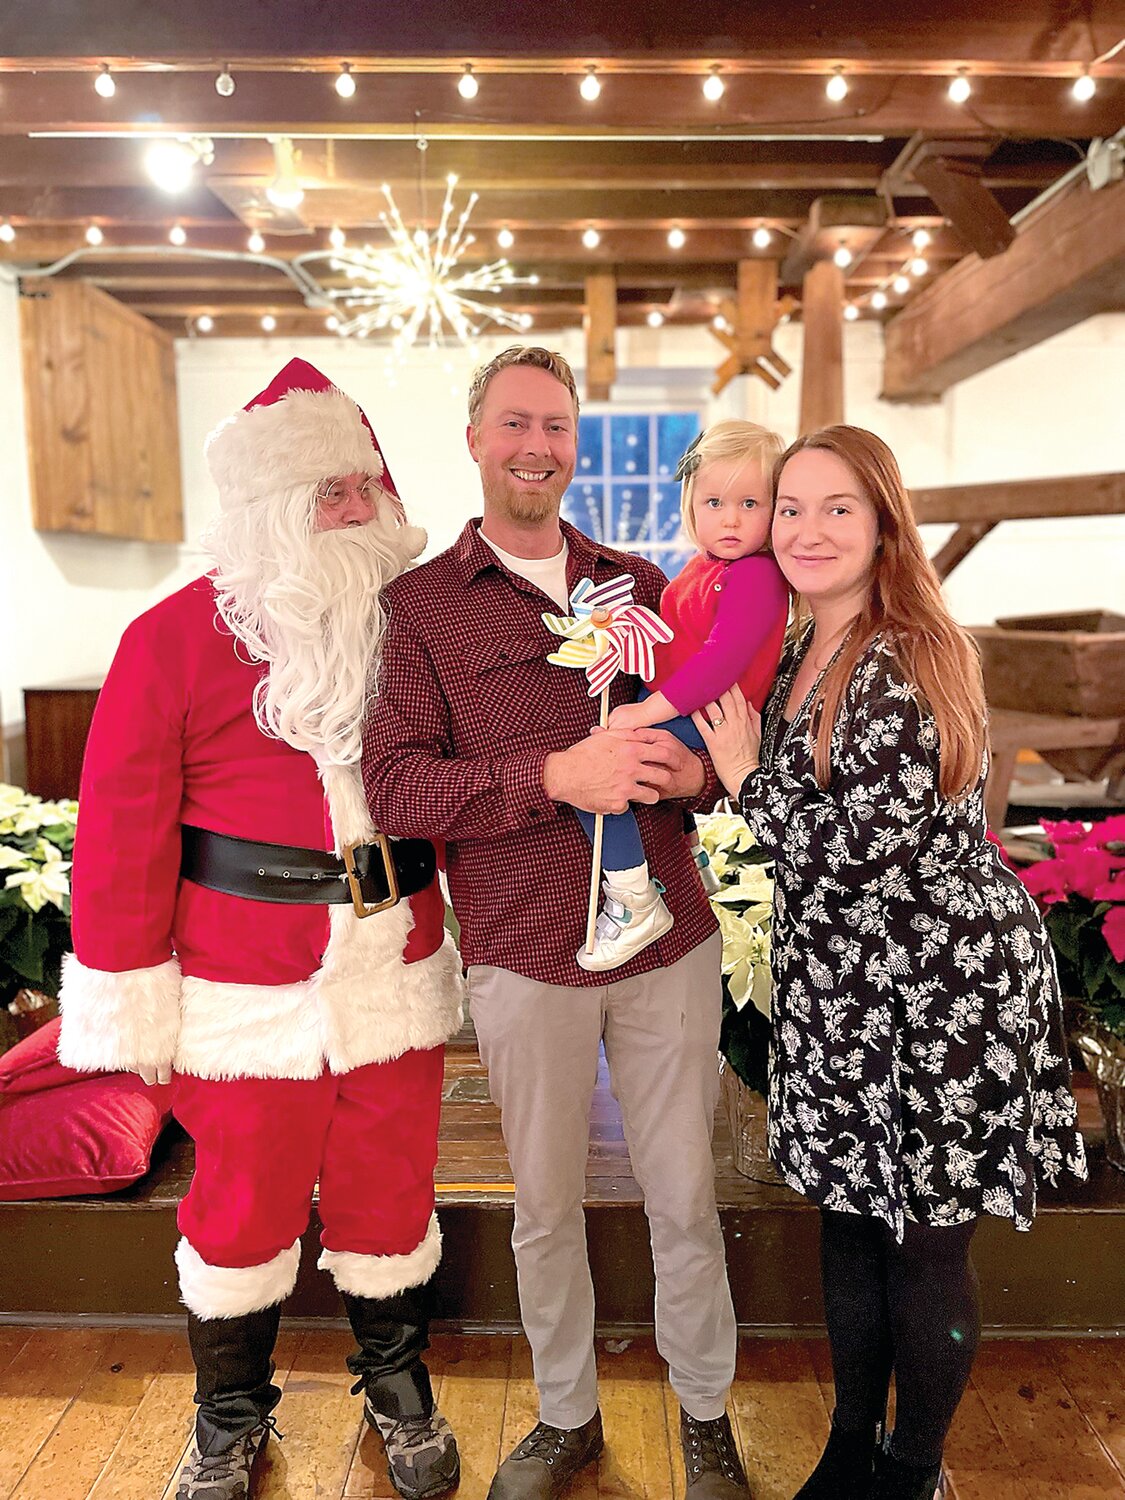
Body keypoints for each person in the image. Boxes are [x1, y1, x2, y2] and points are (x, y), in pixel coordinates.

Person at [56, 359, 465, 1500]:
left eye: (361, 485)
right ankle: (229, 1417)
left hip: (395, 960)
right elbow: (124, 824)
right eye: (322, 490)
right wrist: (131, 987)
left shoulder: (421, 629)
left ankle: (398, 1389)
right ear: (266, 510)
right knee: (240, 1206)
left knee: (393, 1191)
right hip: (243, 983)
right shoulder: (172, 640)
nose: (350, 507)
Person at [363, 345, 751, 1500]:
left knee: (685, 1194)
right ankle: (565, 1414)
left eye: (559, 430)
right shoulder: (420, 608)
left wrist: (689, 780)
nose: (539, 447)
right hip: (526, 949)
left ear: (575, 449)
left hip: (669, 939)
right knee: (546, 1207)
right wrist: (554, 773)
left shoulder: (641, 582)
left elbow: (713, 740)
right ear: (477, 439)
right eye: (517, 424)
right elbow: (399, 788)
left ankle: (707, 1416)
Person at [694, 425, 1088, 1500]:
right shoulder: (800, 647)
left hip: (943, 984)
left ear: (882, 528)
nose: (808, 529)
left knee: (923, 1243)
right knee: (852, 1221)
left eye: (838, 509)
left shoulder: (902, 651)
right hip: (844, 980)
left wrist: (742, 781)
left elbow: (864, 847)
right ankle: (849, 1441)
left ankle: (911, 1470)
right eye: (791, 508)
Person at [570, 419, 788, 971]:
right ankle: (688, 856)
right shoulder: (702, 568)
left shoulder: (756, 576)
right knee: (621, 762)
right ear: (692, 503)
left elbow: (718, 664)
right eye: (715, 501)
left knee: (596, 772)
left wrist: (647, 708)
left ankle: (633, 899)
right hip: (691, 709)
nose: (731, 518)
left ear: (777, 509)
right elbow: (675, 643)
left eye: (750, 503)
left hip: (713, 713)